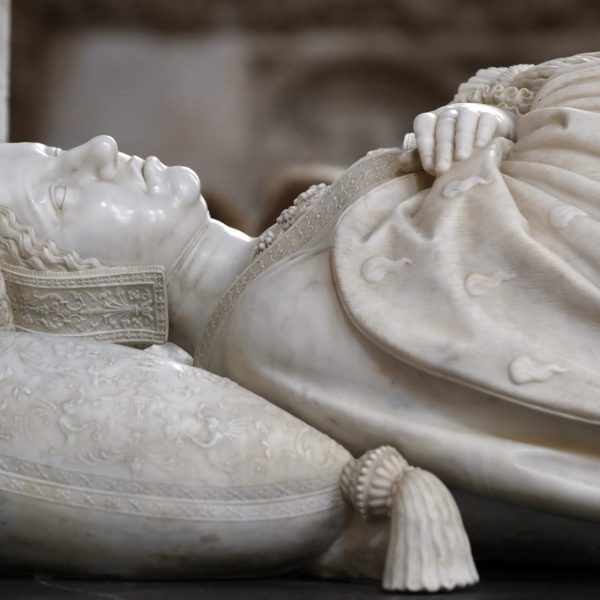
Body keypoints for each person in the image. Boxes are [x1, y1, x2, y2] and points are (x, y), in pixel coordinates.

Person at [2, 52, 600, 563]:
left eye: (58, 149)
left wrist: (497, 121)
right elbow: (550, 289)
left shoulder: (271, 284)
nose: (100, 148)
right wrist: (511, 127)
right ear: (71, 289)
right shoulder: (273, 319)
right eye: (61, 193)